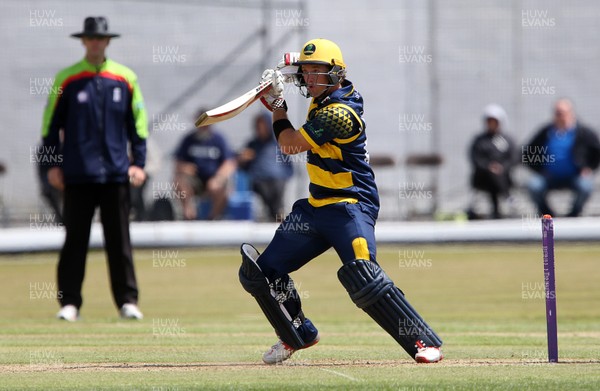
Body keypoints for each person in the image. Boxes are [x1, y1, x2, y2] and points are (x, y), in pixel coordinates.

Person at [238, 39, 443, 365]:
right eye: (305, 73)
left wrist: (277, 104)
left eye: (317, 72)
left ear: (336, 74)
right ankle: (296, 333)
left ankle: (421, 341)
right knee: (260, 274)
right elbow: (299, 61)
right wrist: (286, 67)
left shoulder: (339, 113)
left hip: (351, 206)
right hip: (316, 207)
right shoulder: (322, 94)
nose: (310, 79)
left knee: (363, 274)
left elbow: (290, 145)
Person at [41, 16, 147, 321]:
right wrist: (52, 165)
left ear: (107, 41)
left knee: (119, 239)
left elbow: (137, 125)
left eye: (100, 38)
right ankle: (69, 303)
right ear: (84, 41)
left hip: (116, 173)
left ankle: (128, 301)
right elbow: (50, 127)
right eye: (91, 38)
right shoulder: (67, 78)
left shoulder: (125, 78)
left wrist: (138, 163)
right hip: (77, 173)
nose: (96, 43)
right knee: (75, 239)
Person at [524, 99, 600, 217]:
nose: (560, 116)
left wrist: (589, 168)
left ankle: (573, 214)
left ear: (571, 113)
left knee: (586, 186)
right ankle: (548, 214)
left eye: (562, 113)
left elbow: (596, 151)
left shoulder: (583, 133)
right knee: (533, 185)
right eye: (557, 113)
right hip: (549, 177)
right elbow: (527, 152)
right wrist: (538, 170)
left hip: (574, 177)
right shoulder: (546, 132)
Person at [173, 118, 237, 220]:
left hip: (214, 178)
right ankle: (189, 214)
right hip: (194, 179)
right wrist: (184, 167)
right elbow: (178, 162)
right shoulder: (189, 139)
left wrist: (219, 177)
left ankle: (212, 217)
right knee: (179, 181)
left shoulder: (219, 139)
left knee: (220, 188)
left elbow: (229, 163)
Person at [238, 112, 293, 221]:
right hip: (258, 180)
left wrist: (286, 175)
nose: (260, 129)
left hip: (277, 180)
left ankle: (276, 214)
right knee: (263, 188)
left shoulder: (278, 143)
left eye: (262, 126)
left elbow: (288, 164)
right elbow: (243, 166)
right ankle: (274, 214)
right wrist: (243, 160)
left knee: (277, 187)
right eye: (258, 126)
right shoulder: (252, 144)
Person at [468, 104, 516, 219]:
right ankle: (507, 197)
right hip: (483, 178)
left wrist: (502, 168)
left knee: (497, 175)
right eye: (489, 121)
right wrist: (488, 167)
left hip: (504, 177)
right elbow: (476, 158)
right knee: (493, 175)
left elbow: (513, 158)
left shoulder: (506, 140)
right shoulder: (479, 140)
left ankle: (500, 205)